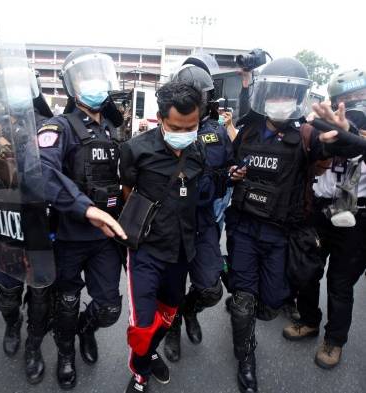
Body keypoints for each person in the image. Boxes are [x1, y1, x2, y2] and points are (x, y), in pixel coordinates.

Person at [225, 57, 362, 393]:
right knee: (244, 300)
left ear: (298, 97)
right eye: (275, 93)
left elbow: (345, 146)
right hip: (243, 226)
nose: (280, 100)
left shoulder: (306, 134)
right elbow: (231, 165)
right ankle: (246, 359)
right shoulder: (248, 131)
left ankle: (243, 284)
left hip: (280, 232)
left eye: (288, 94)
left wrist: (346, 132)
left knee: (273, 302)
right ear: (264, 94)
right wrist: (234, 173)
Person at [38, 48, 126, 390]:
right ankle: (64, 354)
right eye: (87, 80)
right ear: (72, 88)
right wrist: (85, 208)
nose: (96, 86)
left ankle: (86, 329)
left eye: (100, 78)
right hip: (70, 237)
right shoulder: (58, 127)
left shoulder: (111, 130)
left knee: (109, 309)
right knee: (67, 304)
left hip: (104, 240)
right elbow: (41, 173)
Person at [120, 81, 206, 393]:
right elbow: (129, 193)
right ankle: (140, 375)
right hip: (146, 250)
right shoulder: (135, 149)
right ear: (160, 118)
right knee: (142, 326)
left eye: (191, 126)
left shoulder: (199, 150)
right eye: (176, 126)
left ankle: (152, 351)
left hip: (181, 251)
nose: (184, 133)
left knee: (168, 316)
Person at [282, 68, 366, 369]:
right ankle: (308, 320)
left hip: (357, 215)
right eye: (346, 100)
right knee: (306, 270)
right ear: (334, 102)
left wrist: (355, 139)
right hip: (319, 209)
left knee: (340, 282)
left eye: (360, 98)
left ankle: (334, 340)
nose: (354, 106)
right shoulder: (320, 126)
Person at [163, 65, 234, 361]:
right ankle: (174, 325)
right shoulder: (167, 130)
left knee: (211, 290)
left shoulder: (218, 133)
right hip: (173, 224)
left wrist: (234, 174)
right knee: (171, 288)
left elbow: (230, 170)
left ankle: (190, 311)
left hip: (204, 222)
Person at [0, 69, 55, 385]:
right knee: (8, 290)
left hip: (39, 222)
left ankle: (34, 344)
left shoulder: (49, 128)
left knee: (41, 291)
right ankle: (12, 323)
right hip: (4, 221)